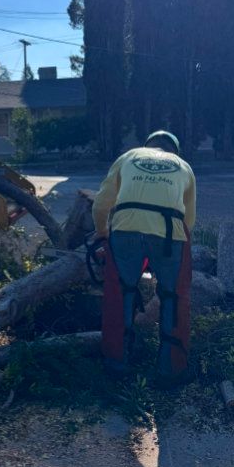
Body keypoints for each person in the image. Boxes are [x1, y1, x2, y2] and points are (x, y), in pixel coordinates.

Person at [91, 130, 196, 388]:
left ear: (148, 145)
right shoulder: (184, 167)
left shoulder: (128, 157)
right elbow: (188, 220)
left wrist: (104, 234)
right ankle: (172, 369)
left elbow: (100, 205)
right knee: (173, 297)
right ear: (173, 150)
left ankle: (117, 363)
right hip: (170, 234)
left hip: (125, 229)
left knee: (120, 294)